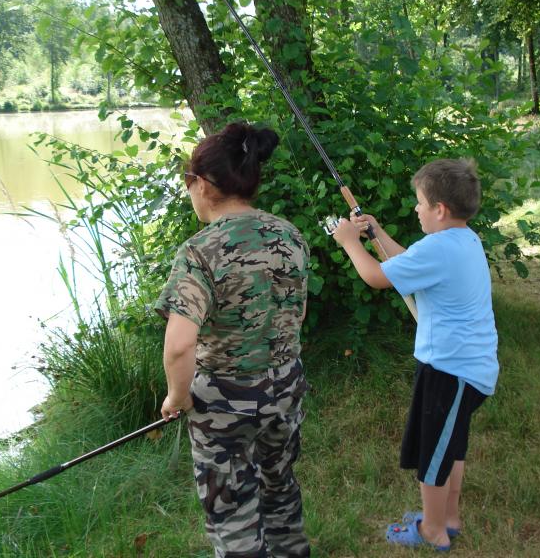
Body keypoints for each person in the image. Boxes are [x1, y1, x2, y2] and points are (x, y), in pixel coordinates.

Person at [154, 121, 311, 557]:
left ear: (203, 184)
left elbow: (181, 343)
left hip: (224, 399)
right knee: (280, 485)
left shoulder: (200, 251)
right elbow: (297, 312)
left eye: (188, 181)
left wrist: (177, 396)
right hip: (286, 388)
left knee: (231, 507)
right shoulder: (290, 236)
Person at [331, 158, 498, 552]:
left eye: (420, 203)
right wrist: (377, 232)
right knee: (451, 446)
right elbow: (406, 261)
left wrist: (350, 242)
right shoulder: (460, 240)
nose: (416, 208)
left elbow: (376, 277)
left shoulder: (441, 248)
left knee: (433, 456)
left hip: (450, 370)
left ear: (439, 209)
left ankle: (433, 531)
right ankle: (448, 518)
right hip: (466, 368)